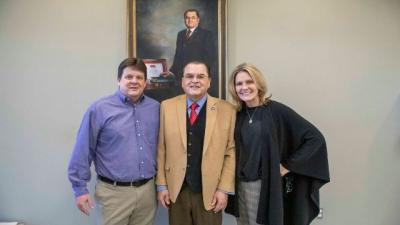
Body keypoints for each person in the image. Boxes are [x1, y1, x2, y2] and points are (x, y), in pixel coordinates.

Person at [225, 63, 330, 225]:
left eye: (249, 82)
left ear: (258, 84)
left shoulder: (275, 111)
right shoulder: (237, 114)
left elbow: (315, 139)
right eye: (239, 83)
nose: (244, 87)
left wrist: (287, 165)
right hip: (239, 186)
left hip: (262, 185)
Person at [68, 58, 160, 225]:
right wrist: (79, 189)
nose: (134, 81)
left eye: (139, 78)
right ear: (118, 80)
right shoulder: (100, 109)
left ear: (145, 82)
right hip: (113, 193)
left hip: (147, 192)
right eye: (129, 77)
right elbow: (83, 149)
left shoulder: (155, 109)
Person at [156, 61, 236, 225]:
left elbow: (230, 152)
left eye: (201, 76)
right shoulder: (167, 107)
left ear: (209, 82)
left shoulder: (227, 110)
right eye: (189, 76)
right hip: (176, 190)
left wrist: (223, 189)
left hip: (211, 191)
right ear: (182, 81)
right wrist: (162, 185)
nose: (195, 80)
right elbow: (161, 149)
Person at [169, 9, 218, 97]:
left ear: (198, 20)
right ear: (184, 20)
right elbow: (178, 56)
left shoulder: (206, 34)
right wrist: (171, 72)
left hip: (197, 77)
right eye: (187, 18)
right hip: (182, 77)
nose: (190, 20)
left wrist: (200, 74)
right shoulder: (180, 34)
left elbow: (211, 57)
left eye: (193, 18)